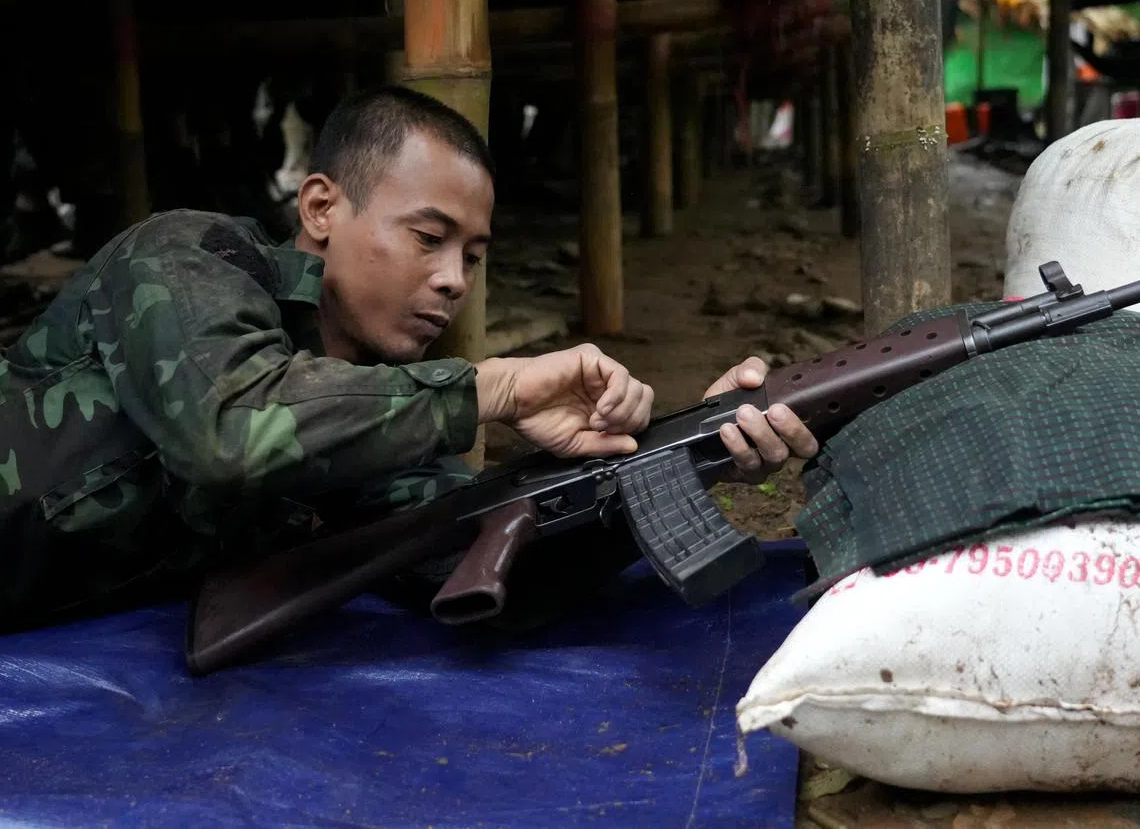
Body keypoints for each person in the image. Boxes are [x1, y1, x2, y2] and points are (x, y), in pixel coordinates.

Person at [0, 85, 812, 632]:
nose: (454, 281)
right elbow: (234, 432)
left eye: (474, 256)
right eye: (429, 239)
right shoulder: (185, 258)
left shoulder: (372, 415)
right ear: (321, 207)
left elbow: (476, 565)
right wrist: (487, 386)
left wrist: (693, 453)